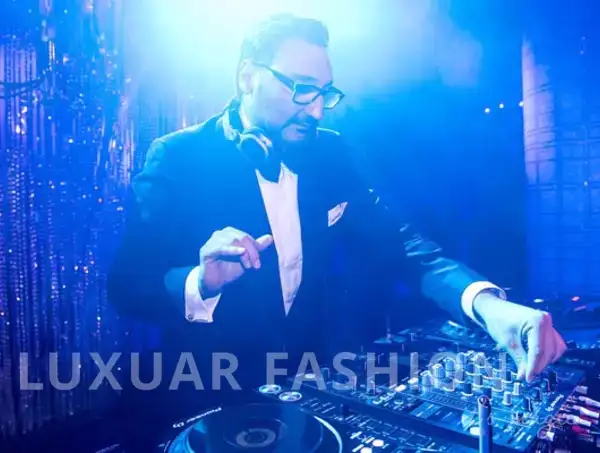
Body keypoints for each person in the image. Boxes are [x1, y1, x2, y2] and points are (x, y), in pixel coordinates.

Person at [107, 13, 566, 406]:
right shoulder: (179, 157)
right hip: (211, 395)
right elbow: (127, 286)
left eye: (324, 93)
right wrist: (200, 281)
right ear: (248, 76)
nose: (317, 111)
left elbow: (400, 244)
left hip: (310, 389)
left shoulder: (331, 153)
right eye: (301, 89)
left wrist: (487, 305)